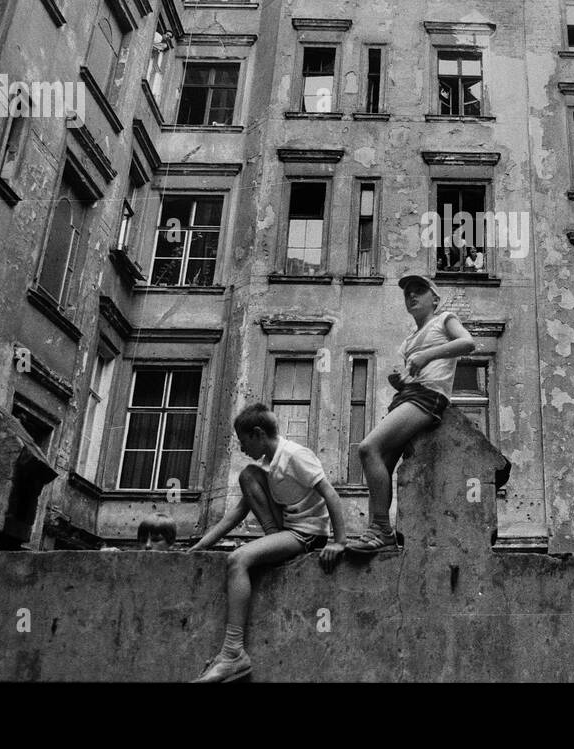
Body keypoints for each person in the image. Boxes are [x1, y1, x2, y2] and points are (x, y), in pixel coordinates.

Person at [189, 402, 348, 682]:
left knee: (238, 559)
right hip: (287, 528)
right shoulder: (266, 464)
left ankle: (233, 653)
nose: (241, 448)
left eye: (243, 441)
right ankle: (272, 538)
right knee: (247, 475)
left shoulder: (296, 455)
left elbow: (331, 495)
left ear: (258, 434)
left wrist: (339, 541)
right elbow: (238, 512)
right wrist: (200, 546)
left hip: (307, 534)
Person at [345, 274, 476, 555]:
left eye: (419, 291)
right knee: (380, 461)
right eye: (407, 294)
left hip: (429, 397)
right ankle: (377, 531)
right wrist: (402, 380)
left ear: (435, 299)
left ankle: (380, 528)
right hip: (409, 395)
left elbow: (468, 343)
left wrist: (427, 356)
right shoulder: (408, 341)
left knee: (368, 448)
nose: (412, 296)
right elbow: (415, 373)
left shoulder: (444, 319)